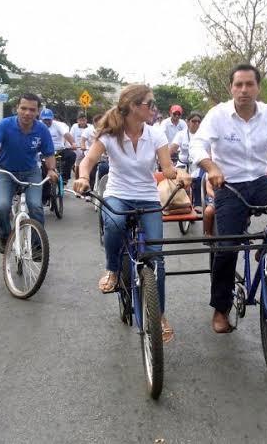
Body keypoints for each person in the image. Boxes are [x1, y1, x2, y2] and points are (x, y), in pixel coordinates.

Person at [185, 63, 267, 334]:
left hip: (259, 181)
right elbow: (197, 145)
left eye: (249, 84)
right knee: (227, 247)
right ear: (231, 88)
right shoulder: (218, 114)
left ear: (258, 87)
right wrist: (211, 168)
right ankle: (221, 309)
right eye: (239, 85)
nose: (244, 90)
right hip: (228, 184)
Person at [73, 84, 178, 342]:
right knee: (115, 222)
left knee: (157, 260)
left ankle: (160, 314)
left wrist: (178, 174)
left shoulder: (156, 135)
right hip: (118, 194)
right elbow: (88, 161)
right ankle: (113, 269)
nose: (154, 109)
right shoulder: (109, 135)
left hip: (147, 197)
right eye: (150, 104)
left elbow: (166, 167)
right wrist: (84, 177)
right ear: (133, 106)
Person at [0, 93, 58, 254]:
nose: (27, 113)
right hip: (5, 172)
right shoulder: (5, 125)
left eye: (32, 109)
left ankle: (37, 246)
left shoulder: (42, 129)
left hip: (31, 172)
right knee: (2, 207)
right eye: (23, 108)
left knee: (36, 207)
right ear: (17, 108)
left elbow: (49, 153)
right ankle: (4, 235)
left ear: (37, 112)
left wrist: (51, 170)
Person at [169, 111, 216, 233]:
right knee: (179, 179)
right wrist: (164, 158)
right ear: (188, 122)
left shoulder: (205, 135)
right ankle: (179, 201)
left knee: (200, 178)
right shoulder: (181, 134)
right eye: (193, 121)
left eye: (198, 121)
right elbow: (173, 148)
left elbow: (210, 151)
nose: (196, 123)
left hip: (198, 163)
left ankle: (198, 204)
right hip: (183, 162)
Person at [40, 108, 76, 186]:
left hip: (58, 151)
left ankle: (65, 177)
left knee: (72, 155)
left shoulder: (58, 125)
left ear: (52, 118)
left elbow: (66, 134)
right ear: (41, 119)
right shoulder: (38, 125)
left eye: (49, 119)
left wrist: (73, 143)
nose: (47, 122)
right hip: (44, 153)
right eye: (45, 120)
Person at [70, 113, 93, 180]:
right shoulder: (74, 127)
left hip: (88, 149)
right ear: (77, 120)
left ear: (86, 120)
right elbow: (71, 137)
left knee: (88, 165)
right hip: (77, 149)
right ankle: (77, 180)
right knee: (77, 164)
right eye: (80, 120)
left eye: (84, 120)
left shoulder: (90, 127)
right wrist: (72, 145)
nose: (82, 122)